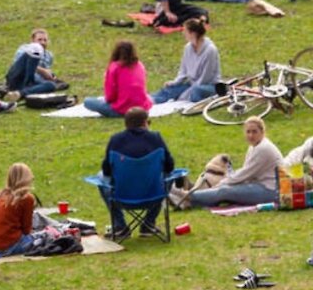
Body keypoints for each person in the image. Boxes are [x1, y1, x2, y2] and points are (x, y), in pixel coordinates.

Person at [97, 107, 175, 238]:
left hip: (121, 197)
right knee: (170, 176)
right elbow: (169, 166)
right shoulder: (155, 138)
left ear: (126, 124)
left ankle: (120, 225)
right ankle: (148, 223)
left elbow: (106, 170)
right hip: (153, 195)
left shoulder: (115, 140)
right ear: (145, 123)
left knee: (100, 177)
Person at [172, 116, 281, 208]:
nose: (251, 135)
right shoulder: (255, 146)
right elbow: (245, 172)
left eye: (254, 132)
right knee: (226, 188)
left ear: (262, 132)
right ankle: (188, 196)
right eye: (248, 132)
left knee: (224, 191)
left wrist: (224, 182)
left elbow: (245, 174)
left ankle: (187, 198)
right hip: (260, 185)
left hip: (270, 190)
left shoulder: (263, 148)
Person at [152, 19, 220, 104]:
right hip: (191, 83)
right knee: (172, 88)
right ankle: (150, 100)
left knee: (196, 91)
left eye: (185, 31)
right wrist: (175, 82)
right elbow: (183, 70)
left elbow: (206, 77)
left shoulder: (210, 50)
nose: (183, 33)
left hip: (208, 85)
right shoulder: (188, 48)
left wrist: (187, 92)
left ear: (193, 33)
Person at [83, 41, 153, 118]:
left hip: (121, 110)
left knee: (88, 101)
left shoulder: (115, 67)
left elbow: (110, 96)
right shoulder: (139, 65)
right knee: (150, 97)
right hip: (142, 108)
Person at [4, 29, 68, 97]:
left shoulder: (49, 55)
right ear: (32, 40)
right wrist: (42, 71)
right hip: (17, 77)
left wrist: (51, 76)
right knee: (34, 50)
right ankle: (28, 88)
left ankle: (20, 93)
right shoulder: (24, 48)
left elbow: (46, 73)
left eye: (45, 40)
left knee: (51, 85)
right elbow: (20, 66)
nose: (43, 42)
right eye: (39, 40)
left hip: (33, 81)